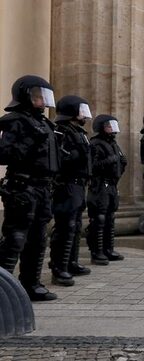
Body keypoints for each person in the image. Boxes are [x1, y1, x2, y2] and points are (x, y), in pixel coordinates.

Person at [0, 75, 60, 301]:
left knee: (38, 238)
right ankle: (3, 288)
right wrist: (29, 141)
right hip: (22, 186)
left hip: (43, 187)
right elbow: (4, 154)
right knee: (15, 237)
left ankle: (31, 284)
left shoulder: (45, 123)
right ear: (25, 95)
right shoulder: (12, 121)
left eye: (44, 97)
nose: (43, 101)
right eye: (38, 96)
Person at [49, 95, 93, 286]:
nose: (85, 115)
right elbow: (61, 158)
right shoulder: (61, 131)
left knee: (74, 226)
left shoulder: (78, 131)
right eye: (81, 111)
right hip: (66, 184)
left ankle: (71, 262)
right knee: (65, 226)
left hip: (78, 183)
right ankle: (59, 268)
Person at [86, 114, 127, 265]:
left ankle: (109, 249)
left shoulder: (114, 144)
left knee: (110, 217)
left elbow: (119, 162)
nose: (112, 129)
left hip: (111, 184)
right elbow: (92, 166)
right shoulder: (96, 143)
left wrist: (121, 165)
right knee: (99, 218)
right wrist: (109, 161)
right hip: (99, 184)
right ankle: (97, 252)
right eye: (109, 126)